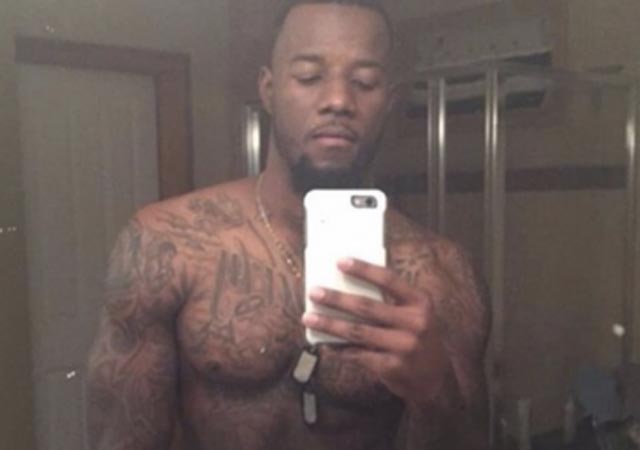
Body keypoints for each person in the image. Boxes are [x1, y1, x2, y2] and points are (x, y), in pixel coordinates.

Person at [86, 1, 491, 449]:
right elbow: (123, 438)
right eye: (309, 77)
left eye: (364, 82)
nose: (338, 101)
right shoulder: (167, 244)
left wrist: (435, 391)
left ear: (388, 102)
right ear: (269, 90)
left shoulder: (440, 271)